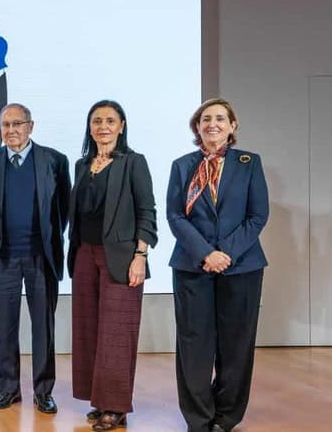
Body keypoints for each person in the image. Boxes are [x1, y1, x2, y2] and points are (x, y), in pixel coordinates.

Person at [167, 98, 269, 432]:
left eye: (220, 118)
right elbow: (175, 216)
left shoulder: (249, 163)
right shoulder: (182, 166)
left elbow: (258, 216)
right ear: (197, 127)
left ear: (232, 126)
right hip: (192, 266)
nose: (213, 124)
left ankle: (226, 417)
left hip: (241, 267)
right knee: (193, 345)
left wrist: (224, 253)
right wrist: (206, 254)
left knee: (236, 345)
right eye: (206, 119)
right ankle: (198, 419)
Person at [0, 103, 71, 414]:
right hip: (2, 259)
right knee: (5, 327)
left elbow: (63, 209)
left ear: (31, 126)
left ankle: (43, 391)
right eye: (6, 125)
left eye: (17, 124)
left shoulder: (54, 160)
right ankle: (8, 389)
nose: (11, 130)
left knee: (43, 327)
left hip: (41, 258)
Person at [68, 100, 157, 431]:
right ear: (89, 127)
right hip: (84, 255)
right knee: (89, 330)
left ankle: (116, 407)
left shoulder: (133, 162)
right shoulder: (81, 165)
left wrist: (141, 256)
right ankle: (99, 399)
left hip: (121, 257)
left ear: (122, 126)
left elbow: (147, 210)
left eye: (109, 121)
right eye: (96, 121)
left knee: (117, 332)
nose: (102, 127)